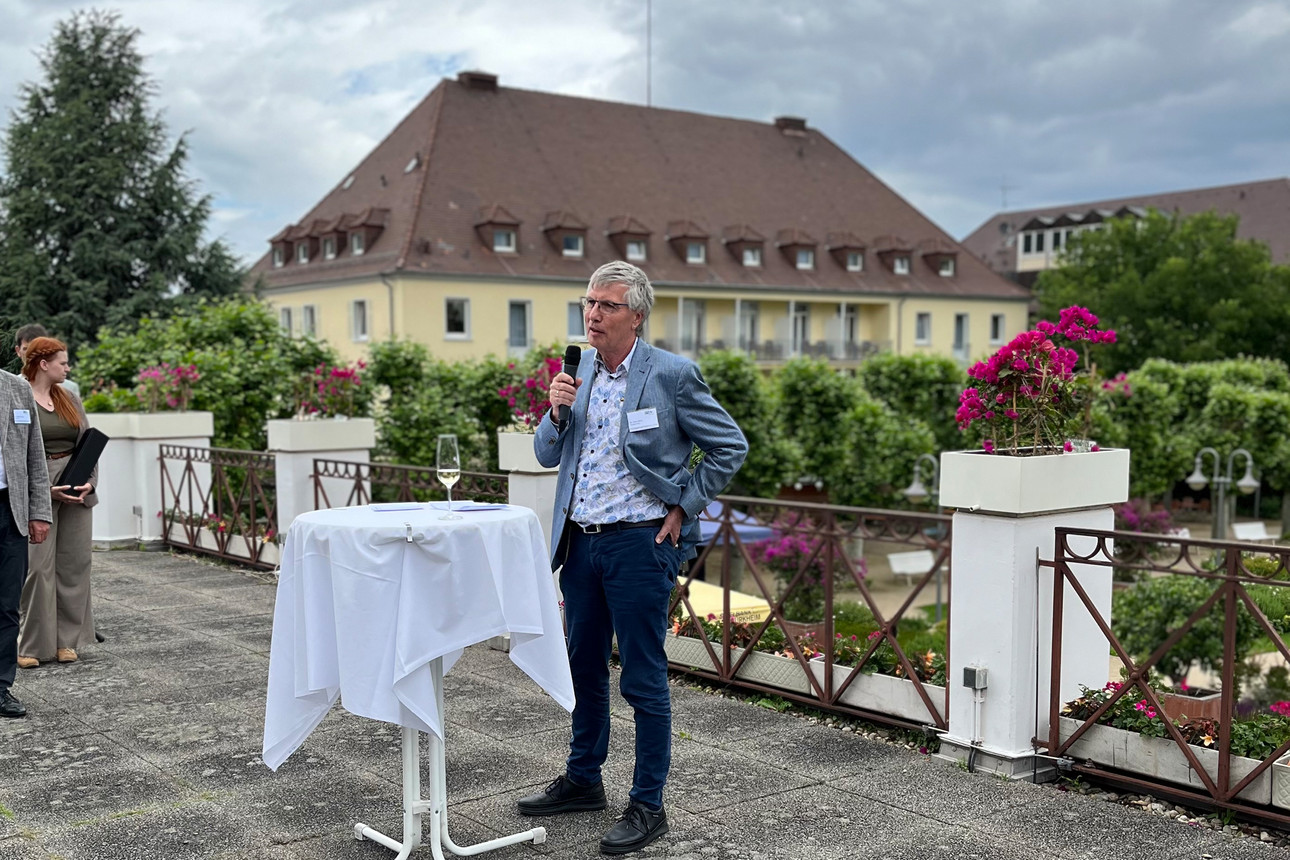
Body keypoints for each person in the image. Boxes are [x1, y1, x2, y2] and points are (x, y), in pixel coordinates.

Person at [518, 261, 747, 854]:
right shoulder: (580, 370)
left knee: (643, 680)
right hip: (581, 541)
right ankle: (583, 780)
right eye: (588, 303)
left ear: (636, 316)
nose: (592, 314)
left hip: (641, 544)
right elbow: (547, 454)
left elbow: (728, 446)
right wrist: (555, 407)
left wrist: (684, 507)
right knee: (583, 668)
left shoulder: (671, 374)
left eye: (606, 305)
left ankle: (648, 805)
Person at [17, 337, 97, 669]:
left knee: (74, 564)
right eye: (63, 362)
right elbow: (12, 451)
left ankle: (67, 642)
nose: (68, 367)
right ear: (43, 363)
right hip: (39, 484)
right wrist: (43, 490)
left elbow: (88, 441)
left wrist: (90, 481)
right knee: (38, 568)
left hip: (76, 484)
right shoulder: (17, 398)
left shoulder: (69, 398)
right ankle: (32, 645)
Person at [0, 358, 52, 718]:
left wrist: (39, 511)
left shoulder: (16, 387)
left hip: (10, 511)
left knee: (6, 605)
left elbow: (36, 455)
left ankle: (1, 687)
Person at [14, 324, 80, 397]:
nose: (31, 354)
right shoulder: (11, 387)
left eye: (37, 350)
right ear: (18, 351)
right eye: (26, 349)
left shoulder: (69, 389)